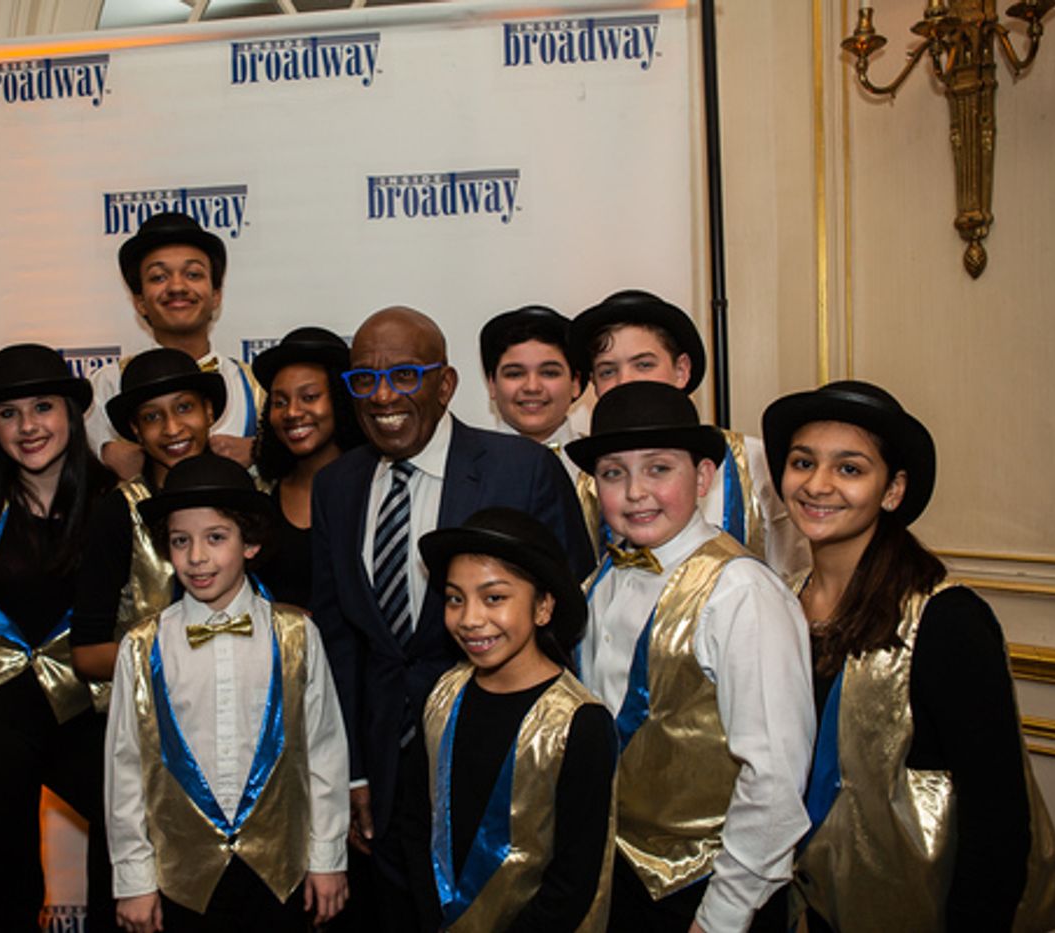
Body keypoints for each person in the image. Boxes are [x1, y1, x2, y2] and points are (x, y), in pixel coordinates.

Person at [310, 306, 595, 933]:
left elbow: (568, 615)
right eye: (364, 380)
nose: (382, 396)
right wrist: (351, 770)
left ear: (446, 384)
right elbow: (339, 642)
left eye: (405, 375)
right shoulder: (336, 485)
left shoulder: (521, 469)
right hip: (383, 774)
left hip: (501, 762)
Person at [761, 380, 1055, 932]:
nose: (818, 484)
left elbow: (998, 817)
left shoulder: (945, 619)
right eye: (802, 462)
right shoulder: (778, 603)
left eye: (850, 469)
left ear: (893, 490)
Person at [564, 382, 814, 933]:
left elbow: (773, 777)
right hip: (616, 876)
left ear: (702, 479)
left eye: (658, 469)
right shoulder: (598, 581)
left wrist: (723, 914)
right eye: (613, 473)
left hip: (707, 890)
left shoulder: (741, 593)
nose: (634, 493)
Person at [106, 454, 349, 933]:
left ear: (251, 542)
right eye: (181, 541)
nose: (197, 557)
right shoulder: (140, 648)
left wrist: (328, 857)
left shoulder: (297, 635)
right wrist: (133, 878)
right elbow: (126, 767)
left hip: (281, 874)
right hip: (182, 881)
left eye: (216, 537)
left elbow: (324, 753)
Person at [0, 343, 116, 932]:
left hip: (84, 708)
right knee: (6, 881)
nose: (28, 426)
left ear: (71, 411)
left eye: (42, 406)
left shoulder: (113, 499)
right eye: (8, 413)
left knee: (127, 844)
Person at [405, 507, 619, 931]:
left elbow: (573, 882)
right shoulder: (444, 695)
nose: (469, 619)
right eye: (454, 598)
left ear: (543, 607)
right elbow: (416, 823)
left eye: (494, 598)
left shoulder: (580, 723)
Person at [569, 289, 808, 577]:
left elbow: (795, 570)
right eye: (608, 371)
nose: (626, 382)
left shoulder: (755, 462)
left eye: (644, 365)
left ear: (681, 370)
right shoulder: (588, 482)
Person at [72, 347, 224, 684]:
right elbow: (86, 654)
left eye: (185, 407)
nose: (172, 428)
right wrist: (186, 659)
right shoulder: (118, 512)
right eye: (152, 417)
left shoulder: (248, 496)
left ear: (209, 411)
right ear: (135, 430)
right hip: (148, 720)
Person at [89, 211, 262, 479]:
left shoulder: (254, 386)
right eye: (158, 277)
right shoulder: (107, 386)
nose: (177, 287)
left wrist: (260, 451)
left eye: (193, 274)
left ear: (216, 295)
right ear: (140, 302)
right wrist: (103, 454)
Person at [251, 325, 365, 607]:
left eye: (309, 397)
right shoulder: (261, 493)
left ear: (340, 400)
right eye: (280, 402)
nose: (292, 412)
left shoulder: (376, 484)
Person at [479, 304, 598, 549]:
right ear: (492, 384)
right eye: (514, 374)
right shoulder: (464, 466)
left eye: (549, 373)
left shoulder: (600, 466)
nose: (532, 387)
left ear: (576, 383)